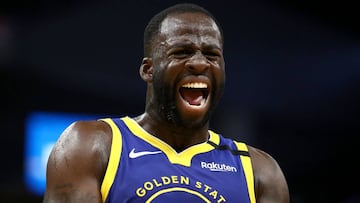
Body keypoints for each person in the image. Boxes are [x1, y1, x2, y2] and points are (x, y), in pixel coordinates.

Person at [43, 3, 290, 203]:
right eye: (182, 52)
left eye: (212, 55)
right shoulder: (88, 146)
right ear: (148, 70)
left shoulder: (260, 173)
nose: (200, 63)